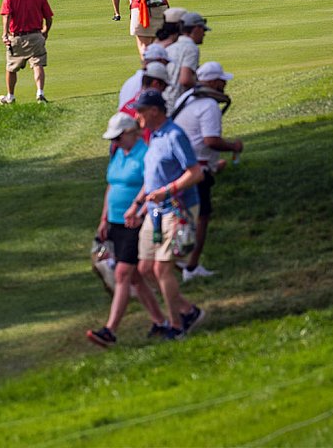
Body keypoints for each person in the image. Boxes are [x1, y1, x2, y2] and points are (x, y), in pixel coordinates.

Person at [124, 91, 204, 339]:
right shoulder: (154, 137)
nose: (136, 116)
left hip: (176, 210)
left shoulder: (174, 135)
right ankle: (188, 311)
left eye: (140, 111)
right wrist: (136, 205)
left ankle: (177, 326)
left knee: (161, 269)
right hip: (154, 210)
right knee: (146, 267)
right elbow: (152, 179)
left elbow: (196, 173)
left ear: (154, 111)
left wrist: (167, 191)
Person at [84, 113, 168, 348]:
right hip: (115, 222)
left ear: (132, 133)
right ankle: (160, 321)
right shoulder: (118, 153)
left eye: (119, 138)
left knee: (122, 274)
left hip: (136, 222)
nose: (116, 142)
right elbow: (111, 185)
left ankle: (110, 331)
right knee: (134, 277)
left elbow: (151, 184)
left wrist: (139, 211)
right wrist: (104, 218)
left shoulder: (146, 154)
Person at [170, 60, 242, 280]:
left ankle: (178, 260)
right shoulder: (209, 105)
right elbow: (211, 141)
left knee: (182, 215)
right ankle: (191, 266)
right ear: (212, 81)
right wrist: (233, 146)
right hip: (196, 170)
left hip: (180, 165)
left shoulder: (187, 97)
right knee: (201, 217)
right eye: (221, 80)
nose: (224, 84)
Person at [0, 0, 54, 105]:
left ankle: (10, 96)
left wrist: (5, 34)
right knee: (38, 64)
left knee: (11, 68)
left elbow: (7, 16)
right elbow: (49, 18)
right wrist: (45, 32)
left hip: (17, 37)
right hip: (36, 36)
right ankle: (40, 93)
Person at [165, 10, 207, 105]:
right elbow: (185, 80)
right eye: (203, 30)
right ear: (196, 28)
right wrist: (204, 87)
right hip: (177, 102)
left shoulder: (170, 47)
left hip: (164, 100)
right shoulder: (191, 48)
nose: (204, 34)